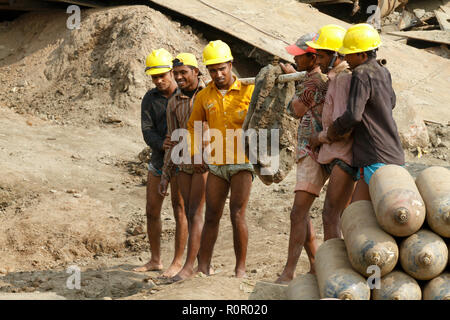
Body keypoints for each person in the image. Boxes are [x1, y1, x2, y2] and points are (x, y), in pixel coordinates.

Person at [187, 40, 255, 278]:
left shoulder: (249, 90)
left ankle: (241, 268)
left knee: (237, 213)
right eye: (213, 70)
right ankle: (203, 266)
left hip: (243, 162)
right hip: (216, 164)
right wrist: (196, 153)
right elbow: (194, 126)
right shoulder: (204, 96)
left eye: (222, 68)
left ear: (230, 64)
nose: (218, 74)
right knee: (212, 215)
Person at [275, 31, 331, 284]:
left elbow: (295, 110)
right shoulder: (316, 78)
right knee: (303, 212)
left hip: (312, 150)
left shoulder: (313, 81)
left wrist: (290, 83)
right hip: (316, 148)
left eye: (300, 57)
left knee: (298, 212)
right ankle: (316, 264)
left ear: (313, 58)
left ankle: (289, 272)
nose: (296, 61)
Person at [325, 23, 404, 202]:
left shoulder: (360, 73)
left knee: (361, 213)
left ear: (362, 54)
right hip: (393, 153)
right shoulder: (383, 71)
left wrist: (333, 130)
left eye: (349, 54)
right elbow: (391, 102)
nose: (345, 57)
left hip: (374, 155)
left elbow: (353, 114)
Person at [134, 48, 188, 278]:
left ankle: (177, 261)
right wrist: (161, 144)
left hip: (183, 162)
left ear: (171, 73)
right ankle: (155, 259)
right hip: (158, 161)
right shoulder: (150, 98)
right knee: (151, 210)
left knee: (180, 209)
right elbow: (147, 130)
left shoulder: (187, 95)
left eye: (162, 75)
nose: (158, 81)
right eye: (154, 77)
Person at [158, 53, 209, 281]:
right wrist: (165, 175)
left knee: (197, 212)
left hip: (205, 163)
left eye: (183, 73)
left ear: (196, 72)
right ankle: (194, 263)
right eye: (176, 73)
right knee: (188, 211)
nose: (178, 77)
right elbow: (171, 138)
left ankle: (197, 265)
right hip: (183, 163)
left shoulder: (209, 94)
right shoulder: (173, 102)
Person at [306, 27, 359, 241]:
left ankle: (336, 266)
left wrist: (318, 138)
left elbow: (343, 127)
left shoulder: (344, 79)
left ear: (335, 55)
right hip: (337, 155)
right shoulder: (336, 78)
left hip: (343, 156)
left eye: (321, 55)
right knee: (340, 214)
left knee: (331, 214)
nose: (317, 61)